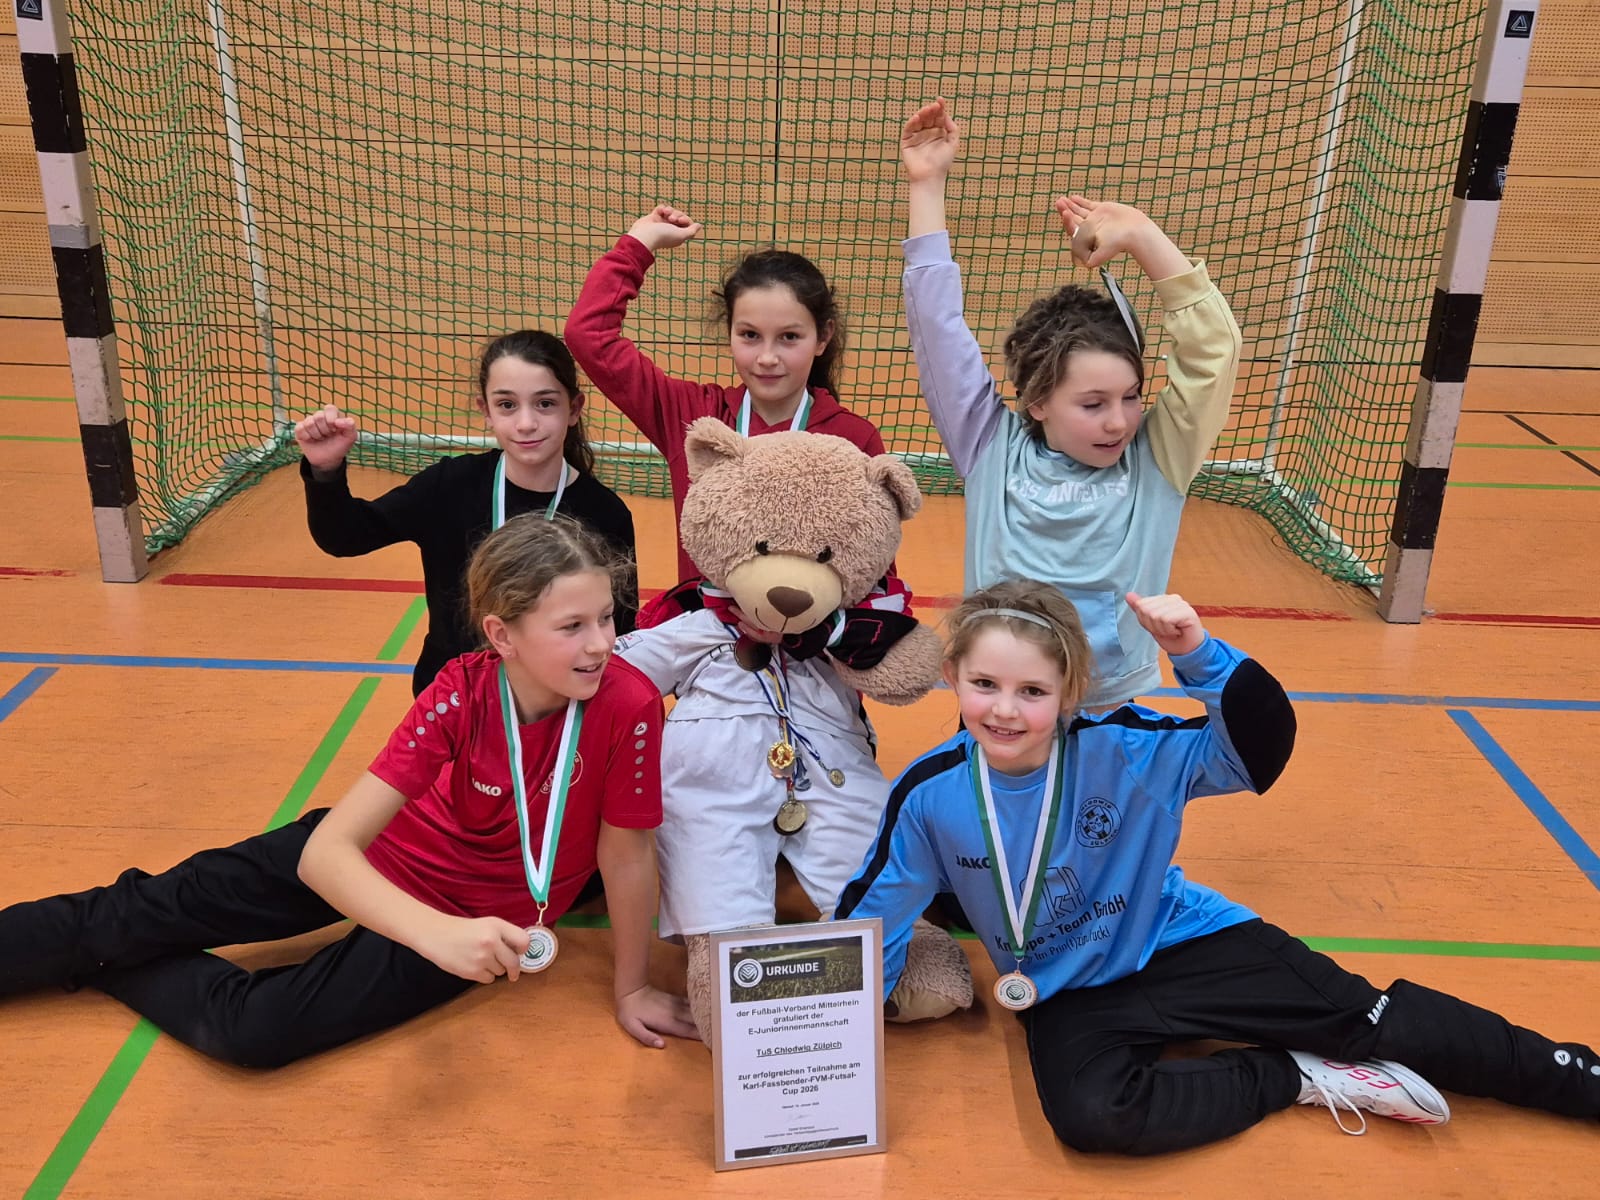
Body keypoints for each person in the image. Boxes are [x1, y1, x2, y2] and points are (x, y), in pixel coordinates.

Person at [837, 579, 1600, 1153]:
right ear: (953, 676)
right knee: (1093, 1118)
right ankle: (1296, 1075)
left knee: (1372, 1022)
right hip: (1066, 985)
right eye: (986, 685)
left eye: (1032, 691)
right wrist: (826, 1027)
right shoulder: (931, 794)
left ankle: (1575, 1078)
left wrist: (1196, 653)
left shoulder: (1126, 747)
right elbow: (880, 910)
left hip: (1186, 941)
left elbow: (1254, 752)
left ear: (1070, 693)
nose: (1005, 710)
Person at [0, 515, 695, 1067]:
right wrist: (432, 933)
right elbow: (326, 853)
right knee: (128, 913)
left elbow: (627, 853)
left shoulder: (628, 703)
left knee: (253, 1030)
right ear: (501, 635)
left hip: (474, 918)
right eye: (572, 627)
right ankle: (97, 945)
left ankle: (101, 957)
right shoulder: (460, 691)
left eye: (606, 618)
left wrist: (632, 986)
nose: (601, 643)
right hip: (391, 869)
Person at [899, 97, 1242, 708]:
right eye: (1092, 404)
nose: (1119, 420)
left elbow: (1214, 351)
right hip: (1000, 711)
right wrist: (926, 185)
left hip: (1108, 707)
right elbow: (937, 328)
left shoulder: (1157, 457)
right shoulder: (991, 447)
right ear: (1037, 402)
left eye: (1131, 396)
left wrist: (1143, 236)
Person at [295, 329, 637, 694]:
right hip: (452, 698)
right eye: (507, 405)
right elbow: (344, 536)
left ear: (574, 408)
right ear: (486, 410)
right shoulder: (449, 486)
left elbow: (619, 630)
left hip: (555, 703)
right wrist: (325, 471)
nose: (526, 423)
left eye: (545, 404)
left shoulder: (604, 514)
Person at [566, 205, 887, 593]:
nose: (767, 357)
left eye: (789, 337)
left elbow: (874, 569)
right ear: (730, 332)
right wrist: (639, 244)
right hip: (707, 627)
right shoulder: (694, 419)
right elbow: (589, 336)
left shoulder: (854, 438)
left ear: (823, 337)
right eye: (750, 335)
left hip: (811, 629)